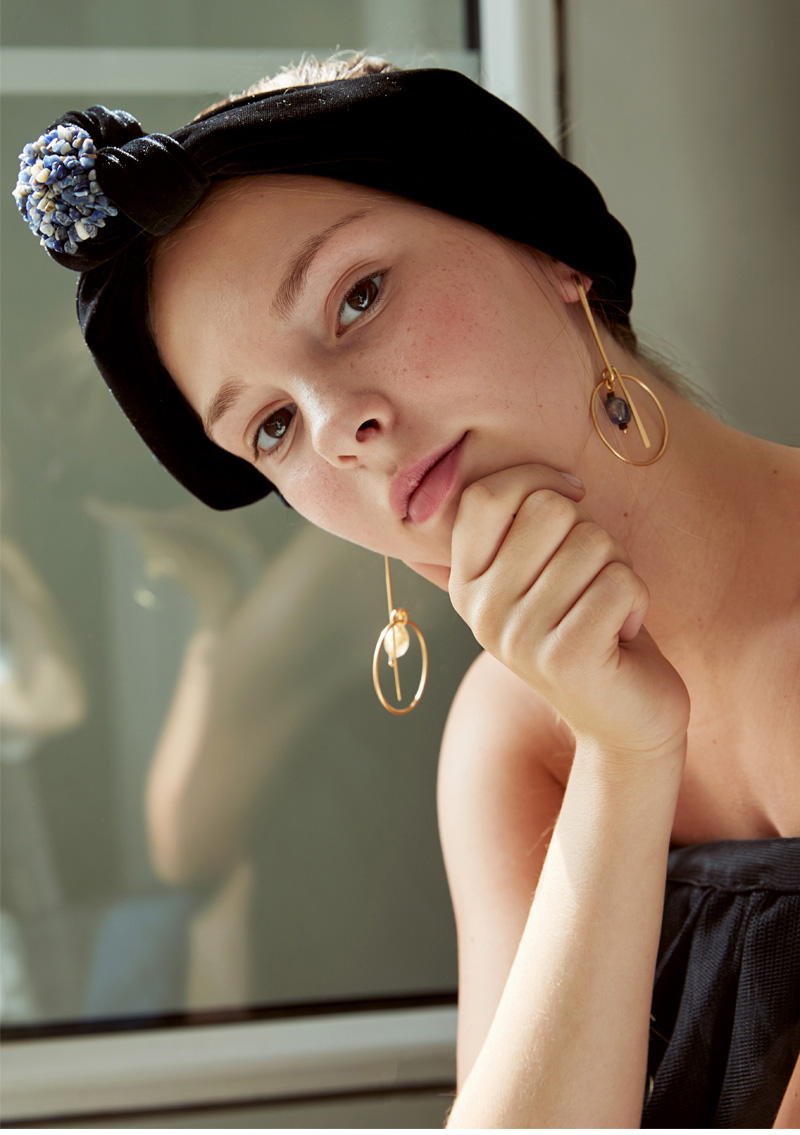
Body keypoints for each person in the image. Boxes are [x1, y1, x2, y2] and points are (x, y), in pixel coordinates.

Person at [12, 53, 800, 1127]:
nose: (339, 427)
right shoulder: (509, 737)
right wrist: (622, 760)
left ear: (544, 242)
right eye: (272, 428)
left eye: (358, 297)